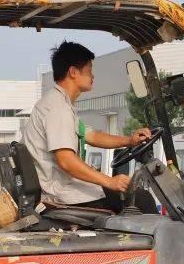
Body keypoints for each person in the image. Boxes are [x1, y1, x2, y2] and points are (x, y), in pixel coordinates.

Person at [21, 41, 157, 213]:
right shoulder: (58, 108)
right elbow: (66, 160)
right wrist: (109, 181)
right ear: (73, 72)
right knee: (142, 199)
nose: (93, 76)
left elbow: (92, 136)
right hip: (58, 195)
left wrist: (130, 140)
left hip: (59, 188)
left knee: (133, 196)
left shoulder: (59, 103)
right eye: (89, 70)